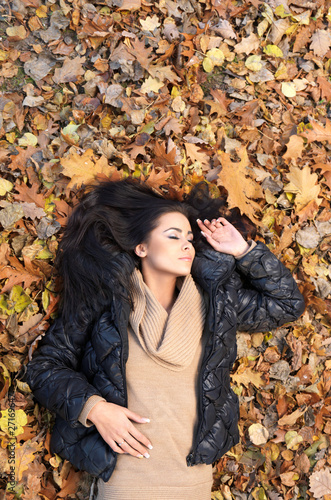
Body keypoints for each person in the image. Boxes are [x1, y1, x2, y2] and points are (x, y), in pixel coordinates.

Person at [25, 178, 305, 499]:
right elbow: (45, 368)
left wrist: (243, 250)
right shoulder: (105, 299)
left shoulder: (215, 302)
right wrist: (95, 409)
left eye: (189, 238)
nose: (186, 245)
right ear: (141, 247)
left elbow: (286, 305)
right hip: (125, 482)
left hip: (193, 483)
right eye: (172, 236)